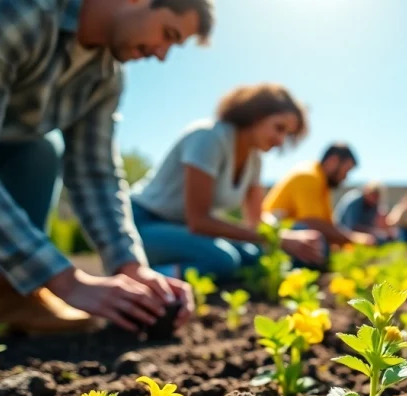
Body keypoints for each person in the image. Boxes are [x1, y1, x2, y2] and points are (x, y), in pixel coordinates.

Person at [0, 0, 215, 334]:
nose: (162, 55)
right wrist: (66, 280)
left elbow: (95, 173)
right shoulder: (16, 14)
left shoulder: (105, 77)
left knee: (38, 150)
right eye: (167, 34)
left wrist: (130, 266)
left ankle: (11, 297)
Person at [130, 84, 323, 281]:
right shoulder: (209, 137)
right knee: (222, 260)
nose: (281, 141)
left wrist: (286, 234)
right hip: (141, 223)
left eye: (287, 134)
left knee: (251, 256)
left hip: (182, 229)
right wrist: (278, 239)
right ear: (256, 115)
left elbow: (257, 219)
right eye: (279, 128)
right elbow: (199, 221)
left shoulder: (254, 159)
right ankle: (144, 280)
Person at [263, 143, 376, 250]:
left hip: (284, 236)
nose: (345, 177)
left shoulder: (322, 184)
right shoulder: (308, 176)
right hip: (271, 235)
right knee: (313, 237)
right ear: (333, 161)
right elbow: (312, 223)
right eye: (346, 170)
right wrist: (354, 239)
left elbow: (328, 224)